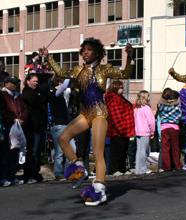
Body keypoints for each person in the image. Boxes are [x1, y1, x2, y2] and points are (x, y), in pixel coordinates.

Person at [38, 39, 136, 206]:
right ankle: (79, 169)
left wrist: (131, 57)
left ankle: (99, 190)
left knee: (98, 153)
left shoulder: (104, 69)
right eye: (83, 49)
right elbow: (61, 72)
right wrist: (48, 58)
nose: (85, 52)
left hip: (99, 114)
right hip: (85, 113)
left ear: (97, 52)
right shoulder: (77, 70)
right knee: (62, 138)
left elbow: (125, 74)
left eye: (89, 49)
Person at [0, 76, 28, 186]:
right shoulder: (2, 95)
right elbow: (2, 111)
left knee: (15, 152)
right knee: (5, 153)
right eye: (13, 83)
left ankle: (12, 175)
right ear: (7, 84)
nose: (16, 86)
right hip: (7, 127)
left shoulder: (18, 96)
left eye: (17, 83)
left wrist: (22, 119)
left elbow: (25, 109)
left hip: (18, 127)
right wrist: (12, 119)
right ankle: (2, 177)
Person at [20, 73, 48, 183]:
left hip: (40, 126)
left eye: (37, 81)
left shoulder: (38, 92)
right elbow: (39, 101)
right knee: (33, 151)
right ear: (28, 81)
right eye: (33, 81)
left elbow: (44, 100)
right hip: (32, 127)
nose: (36, 83)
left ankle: (36, 173)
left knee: (38, 151)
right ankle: (29, 174)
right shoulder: (27, 92)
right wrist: (42, 94)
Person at [105, 81, 134, 175]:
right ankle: (114, 170)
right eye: (121, 87)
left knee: (123, 151)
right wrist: (122, 128)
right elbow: (115, 115)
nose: (123, 89)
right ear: (115, 88)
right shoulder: (114, 99)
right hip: (117, 131)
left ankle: (122, 168)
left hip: (125, 129)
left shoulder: (120, 98)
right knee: (116, 151)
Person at [49, 76, 74, 179]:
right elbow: (64, 87)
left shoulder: (61, 96)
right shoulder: (54, 93)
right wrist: (70, 76)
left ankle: (68, 172)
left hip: (66, 124)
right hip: (58, 125)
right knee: (59, 151)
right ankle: (58, 173)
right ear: (59, 83)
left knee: (72, 149)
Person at [156, 88, 183, 172]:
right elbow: (180, 116)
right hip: (174, 127)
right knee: (175, 147)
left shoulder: (161, 105)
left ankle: (166, 166)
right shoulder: (176, 105)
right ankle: (177, 165)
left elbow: (159, 114)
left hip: (164, 127)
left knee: (165, 147)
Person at [133, 90, 155, 174]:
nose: (149, 97)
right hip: (145, 131)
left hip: (138, 131)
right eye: (148, 96)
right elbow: (151, 121)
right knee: (143, 151)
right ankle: (142, 168)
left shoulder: (137, 108)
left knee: (139, 150)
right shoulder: (147, 108)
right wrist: (152, 132)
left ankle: (138, 168)